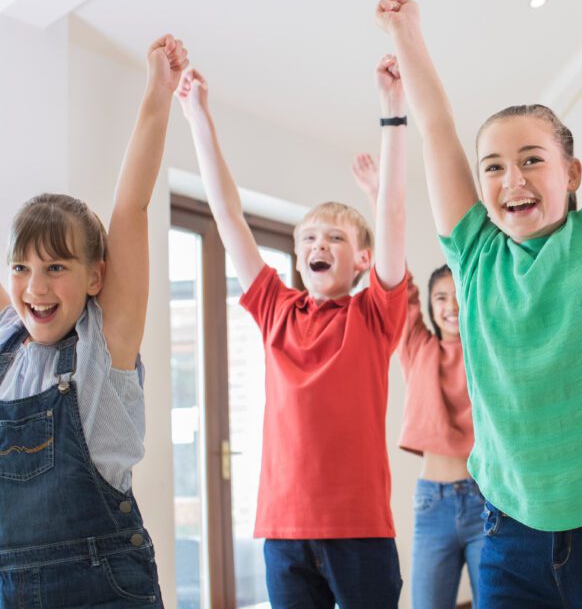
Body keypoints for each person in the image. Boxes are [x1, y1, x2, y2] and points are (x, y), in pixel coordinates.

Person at [375, 0, 582, 607]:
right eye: (493, 166)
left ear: (572, 173)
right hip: (511, 536)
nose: (511, 177)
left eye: (531, 160)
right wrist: (407, 35)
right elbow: (436, 129)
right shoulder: (476, 255)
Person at [176, 55, 408, 607]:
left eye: (334, 238)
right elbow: (228, 215)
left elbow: (395, 217)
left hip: (360, 530)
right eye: (308, 239)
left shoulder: (374, 315)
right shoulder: (275, 307)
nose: (317, 246)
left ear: (363, 259)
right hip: (283, 531)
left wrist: (392, 113)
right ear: (298, 256)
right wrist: (197, 118)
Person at [0, 34, 189, 606]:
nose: (35, 287)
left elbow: (132, 205)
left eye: (56, 267)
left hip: (100, 586)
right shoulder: (8, 337)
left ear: (95, 277)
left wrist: (158, 92)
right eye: (21, 268)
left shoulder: (105, 345)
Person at [352, 154, 481, 609]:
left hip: (489, 500)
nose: (450, 305)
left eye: (459, 295)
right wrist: (377, 195)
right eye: (441, 297)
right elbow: (397, 284)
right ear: (430, 305)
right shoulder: (417, 346)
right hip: (433, 503)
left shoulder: (489, 351)